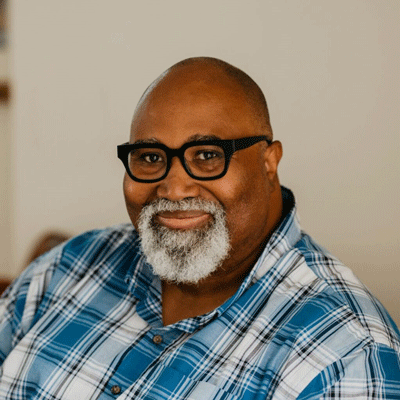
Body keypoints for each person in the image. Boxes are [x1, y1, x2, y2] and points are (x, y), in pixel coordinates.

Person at [0, 57, 399, 399]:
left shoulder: (345, 356)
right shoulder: (67, 268)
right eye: (150, 157)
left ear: (269, 162)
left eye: (207, 155)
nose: (174, 188)